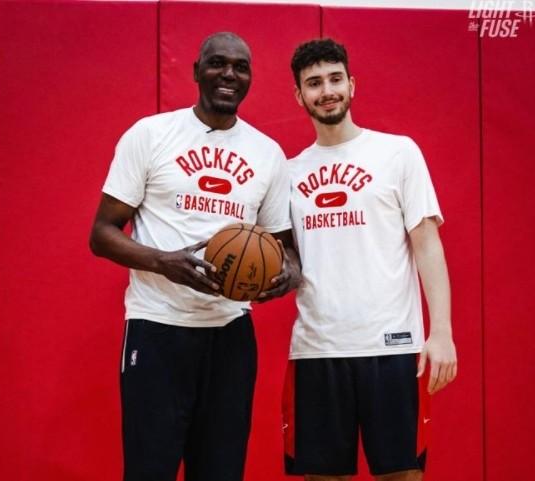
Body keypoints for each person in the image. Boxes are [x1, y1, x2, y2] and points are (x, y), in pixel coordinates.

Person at [90, 32, 300, 481]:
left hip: (230, 334)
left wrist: (289, 273)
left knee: (221, 471)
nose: (229, 74)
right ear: (196, 71)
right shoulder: (151, 135)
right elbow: (102, 234)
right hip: (157, 327)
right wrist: (164, 261)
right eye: (217, 63)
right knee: (149, 470)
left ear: (251, 77)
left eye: (240, 66)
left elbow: (284, 246)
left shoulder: (267, 154)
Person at [282, 38, 457, 481]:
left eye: (335, 79)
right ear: (299, 95)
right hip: (317, 348)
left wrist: (442, 332)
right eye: (314, 83)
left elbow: (427, 244)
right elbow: (281, 257)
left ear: (352, 85)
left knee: (402, 474)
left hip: (394, 346)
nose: (327, 91)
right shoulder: (288, 173)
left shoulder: (398, 153)